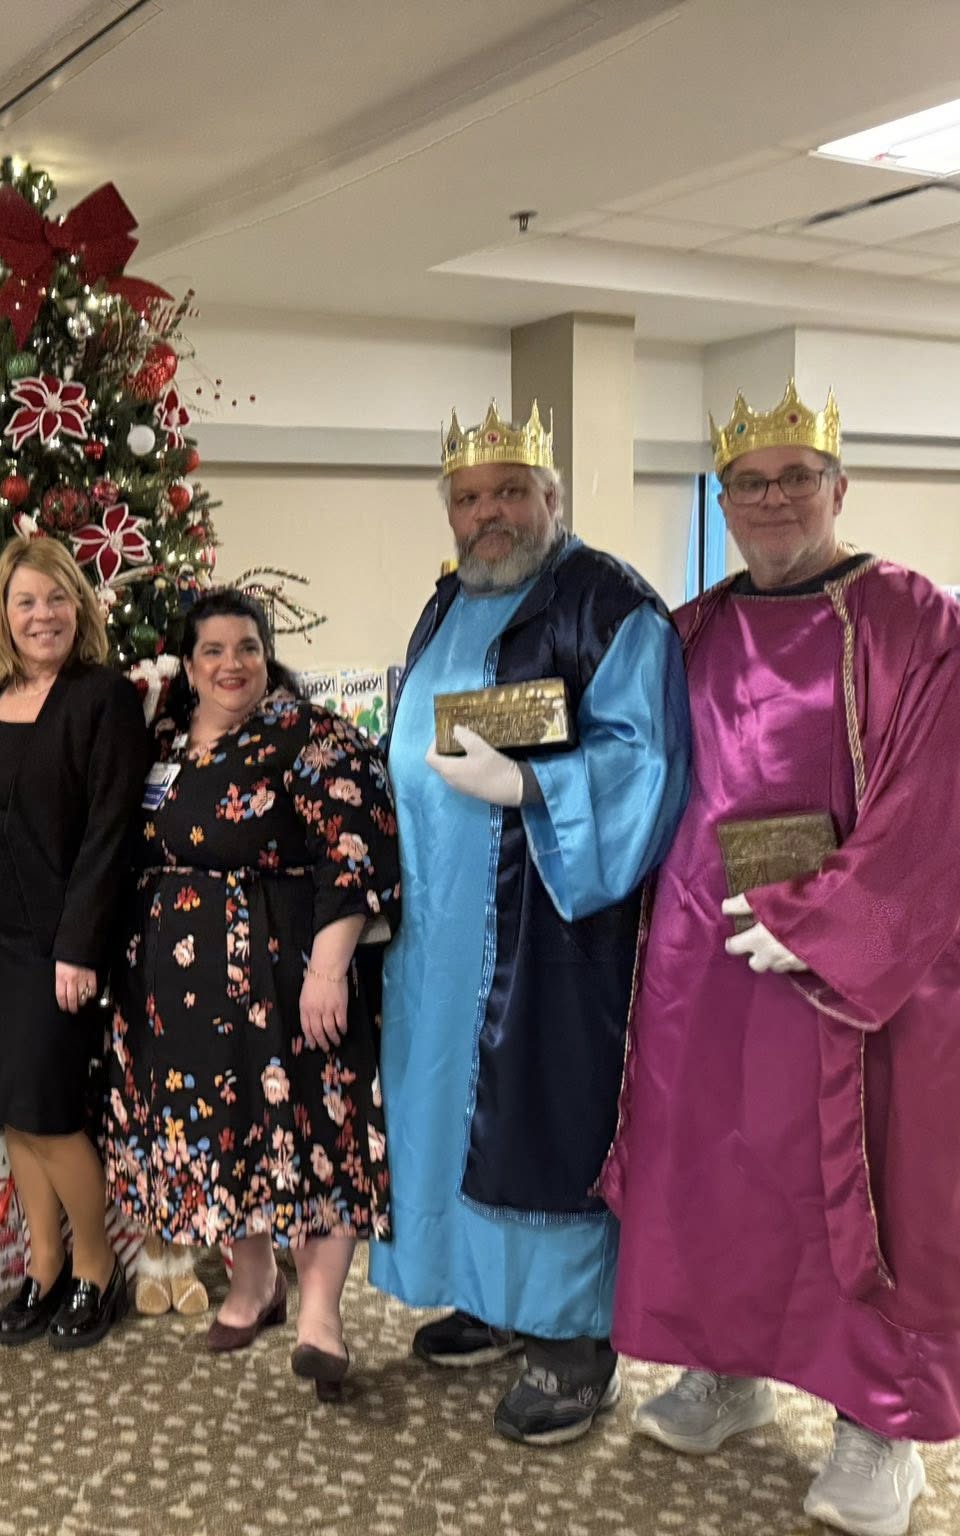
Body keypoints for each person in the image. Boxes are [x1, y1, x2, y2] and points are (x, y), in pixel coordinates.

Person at [606, 382, 960, 1536]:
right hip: (702, 958)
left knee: (861, 1183)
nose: (769, 499)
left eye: (791, 479)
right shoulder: (691, 627)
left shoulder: (913, 619)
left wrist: (829, 920)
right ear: (721, 500)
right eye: (746, 484)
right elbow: (638, 770)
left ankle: (879, 1429)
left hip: (859, 971)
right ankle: (726, 1371)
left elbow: (936, 805)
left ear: (837, 487)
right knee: (709, 1165)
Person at [368, 402, 690, 1446]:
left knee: (540, 1119)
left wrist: (537, 793)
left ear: (550, 499)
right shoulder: (442, 604)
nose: (487, 514)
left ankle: (569, 1337)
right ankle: (489, 1294)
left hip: (544, 928)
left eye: (509, 492)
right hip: (435, 930)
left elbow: (645, 759)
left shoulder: (606, 605)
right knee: (444, 1112)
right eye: (468, 498)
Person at [105, 589, 400, 1394]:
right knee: (233, 1140)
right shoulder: (164, 739)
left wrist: (330, 968)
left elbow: (359, 846)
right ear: (187, 664)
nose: (232, 663)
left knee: (313, 1134)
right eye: (212, 650)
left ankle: (321, 1317)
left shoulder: (309, 736)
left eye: (247, 647)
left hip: (288, 982)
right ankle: (252, 1283)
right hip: (180, 999)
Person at [0, 535, 148, 1350]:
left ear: (81, 609)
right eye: (26, 600)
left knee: (55, 1113)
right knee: (13, 1109)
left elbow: (109, 832)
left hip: (52, 943)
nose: (42, 615)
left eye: (57, 599)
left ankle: (95, 1267)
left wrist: (79, 948)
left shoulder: (102, 699)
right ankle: (43, 1263)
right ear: (2, 611)